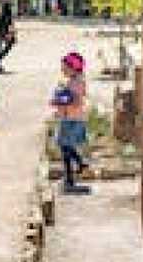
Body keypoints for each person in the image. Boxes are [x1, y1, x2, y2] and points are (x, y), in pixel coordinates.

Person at [51, 52, 88, 192]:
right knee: (65, 148)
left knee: (64, 147)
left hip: (71, 118)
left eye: (65, 67)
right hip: (69, 117)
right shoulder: (74, 81)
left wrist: (61, 100)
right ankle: (71, 174)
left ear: (73, 68)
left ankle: (76, 168)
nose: (63, 70)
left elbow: (76, 100)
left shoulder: (76, 82)